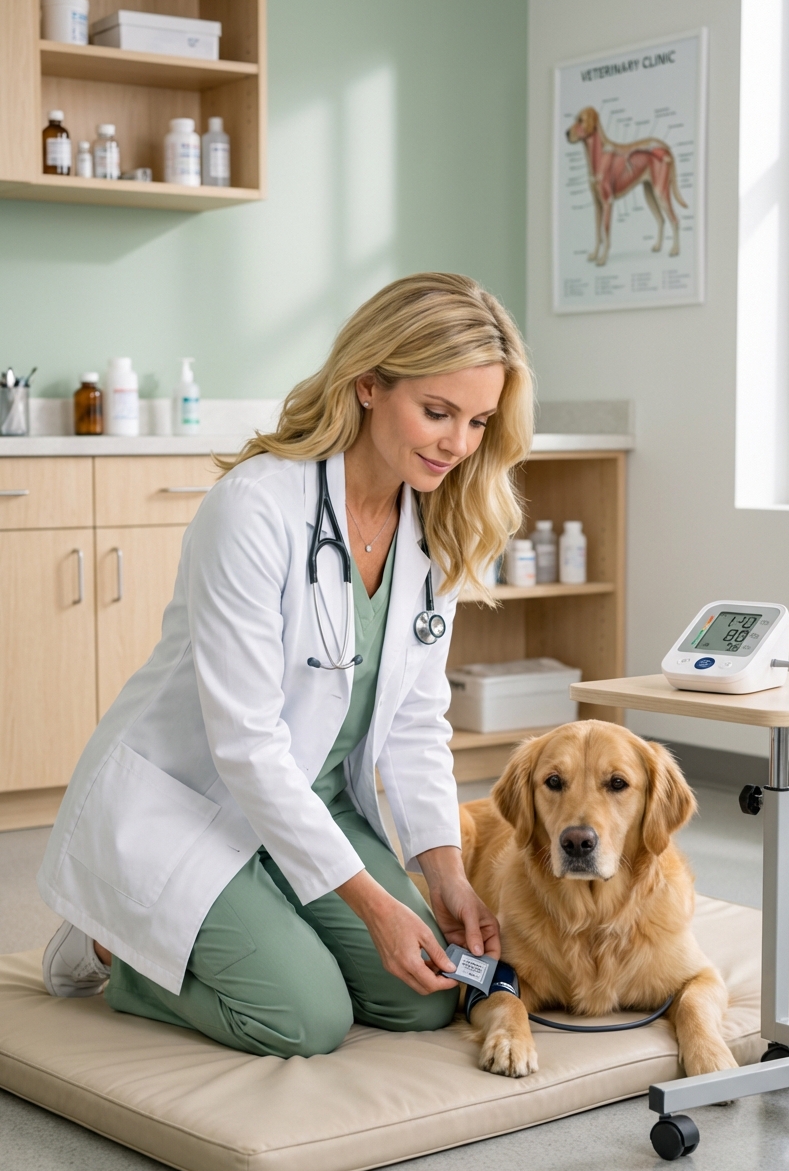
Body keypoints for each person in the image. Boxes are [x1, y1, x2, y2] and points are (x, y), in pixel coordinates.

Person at [37, 272, 535, 1059]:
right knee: (306, 1019)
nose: (458, 445)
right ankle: (115, 949)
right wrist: (374, 904)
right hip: (195, 806)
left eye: (478, 421)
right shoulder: (256, 507)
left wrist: (444, 874)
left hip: (317, 803)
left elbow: (412, 721)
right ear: (369, 385)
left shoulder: (433, 525)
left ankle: (265, 913)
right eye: (437, 413)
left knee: (422, 1004)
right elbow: (246, 747)